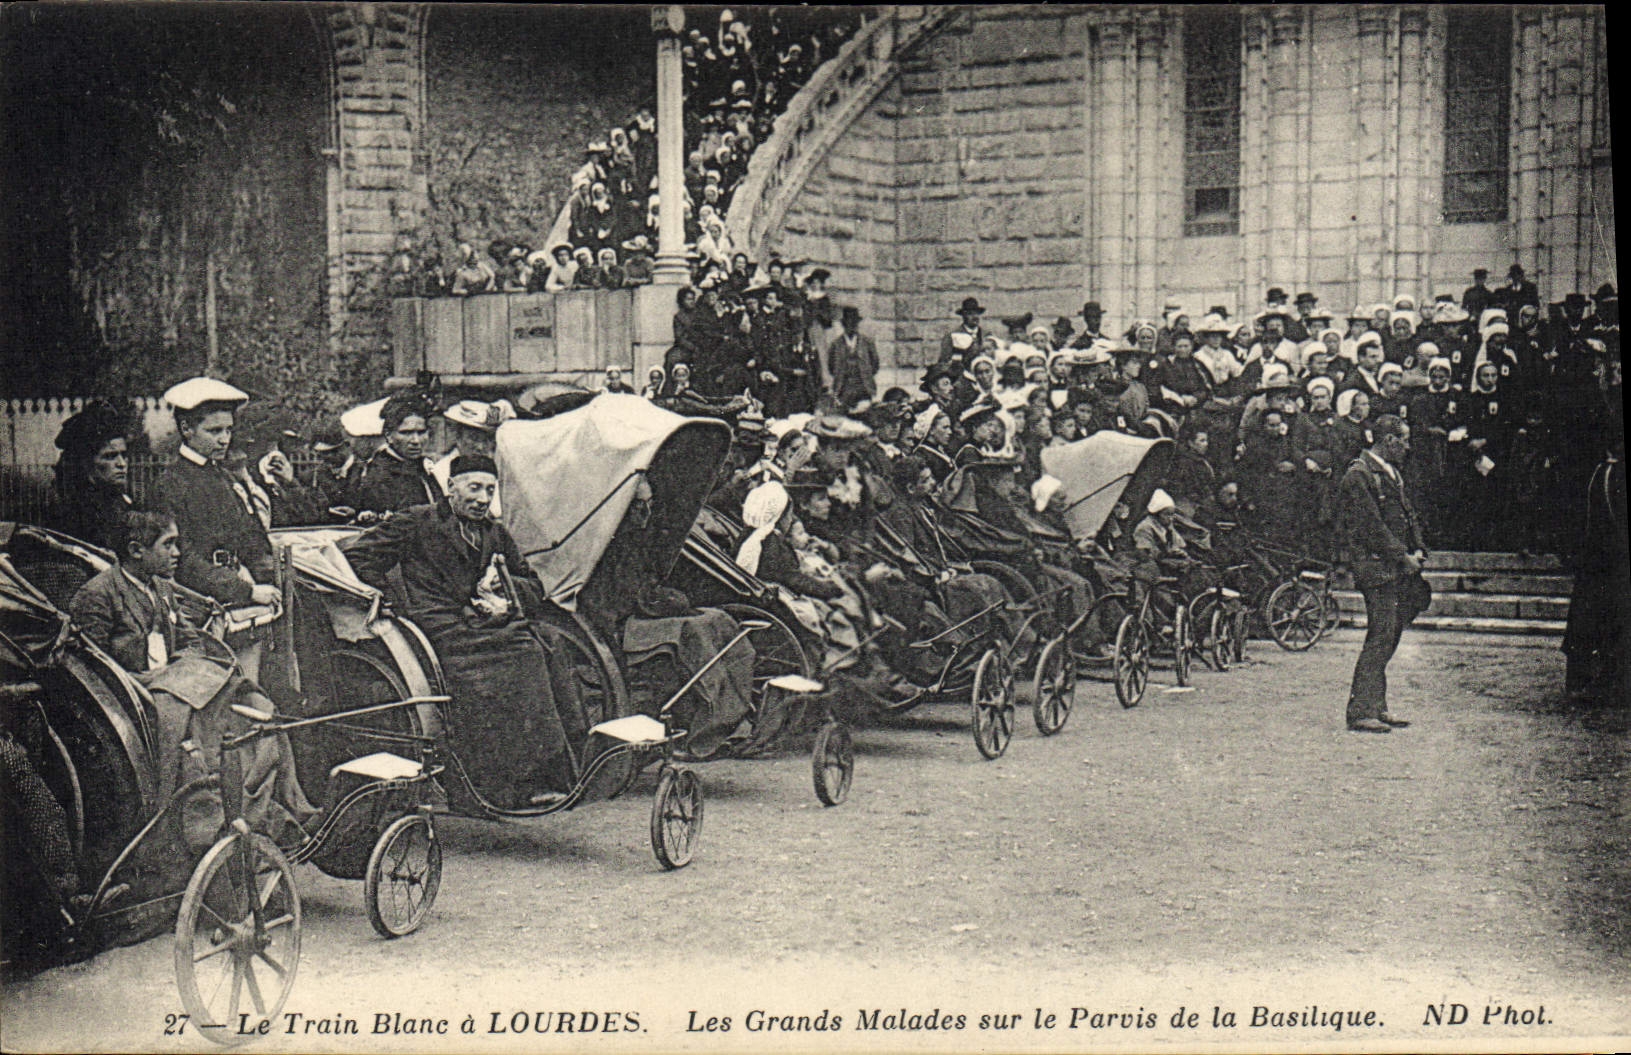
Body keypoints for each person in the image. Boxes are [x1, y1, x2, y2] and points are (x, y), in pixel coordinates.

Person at [69, 511, 314, 885]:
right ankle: (215, 833)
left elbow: (191, 642)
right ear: (136, 550)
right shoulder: (98, 595)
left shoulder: (162, 589)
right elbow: (93, 671)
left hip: (182, 686)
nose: (177, 553)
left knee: (260, 711)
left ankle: (286, 812)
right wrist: (168, 679)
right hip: (141, 699)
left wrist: (185, 670)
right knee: (204, 747)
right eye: (168, 545)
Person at [344, 456, 583, 808]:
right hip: (440, 626)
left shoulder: (494, 532)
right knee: (522, 656)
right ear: (451, 487)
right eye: (474, 488)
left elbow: (533, 585)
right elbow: (359, 557)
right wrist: (392, 600)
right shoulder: (417, 521)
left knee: (549, 644)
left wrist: (505, 587)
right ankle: (506, 785)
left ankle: (563, 765)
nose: (483, 498)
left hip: (485, 623)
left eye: (490, 490)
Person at [149, 377, 280, 613]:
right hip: (197, 600)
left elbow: (252, 538)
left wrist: (270, 575)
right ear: (186, 429)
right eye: (214, 431)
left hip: (241, 585)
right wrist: (246, 591)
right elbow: (183, 560)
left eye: (228, 430)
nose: (224, 439)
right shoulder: (169, 484)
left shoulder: (226, 477)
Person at [1337, 415, 1428, 733]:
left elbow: (1407, 515)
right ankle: (1361, 710)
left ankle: (1376, 705)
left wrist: (1418, 548)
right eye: (1404, 440)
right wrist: (1402, 556)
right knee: (1381, 634)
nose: (1407, 446)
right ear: (1389, 440)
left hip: (1392, 566)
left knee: (1389, 634)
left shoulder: (1389, 472)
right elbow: (1371, 527)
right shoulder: (1359, 475)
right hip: (1375, 567)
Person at [48, 398, 135, 552]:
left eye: (124, 455)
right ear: (86, 463)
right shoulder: (75, 511)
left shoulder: (120, 501)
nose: (122, 464)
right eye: (110, 456)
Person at [350, 392, 440, 517]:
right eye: (406, 433)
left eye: (421, 432)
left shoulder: (422, 468)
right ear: (389, 436)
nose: (416, 440)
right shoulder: (380, 476)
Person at [829, 305, 878, 411]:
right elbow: (831, 367)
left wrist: (865, 374)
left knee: (865, 412)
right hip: (843, 389)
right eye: (848, 323)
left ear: (857, 324)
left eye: (854, 323)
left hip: (863, 388)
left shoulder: (867, 342)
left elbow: (875, 364)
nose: (851, 326)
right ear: (843, 324)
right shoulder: (836, 344)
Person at [940, 297, 987, 366]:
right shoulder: (952, 336)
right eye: (970, 314)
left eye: (977, 313)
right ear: (963, 316)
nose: (975, 317)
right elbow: (944, 361)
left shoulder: (986, 334)